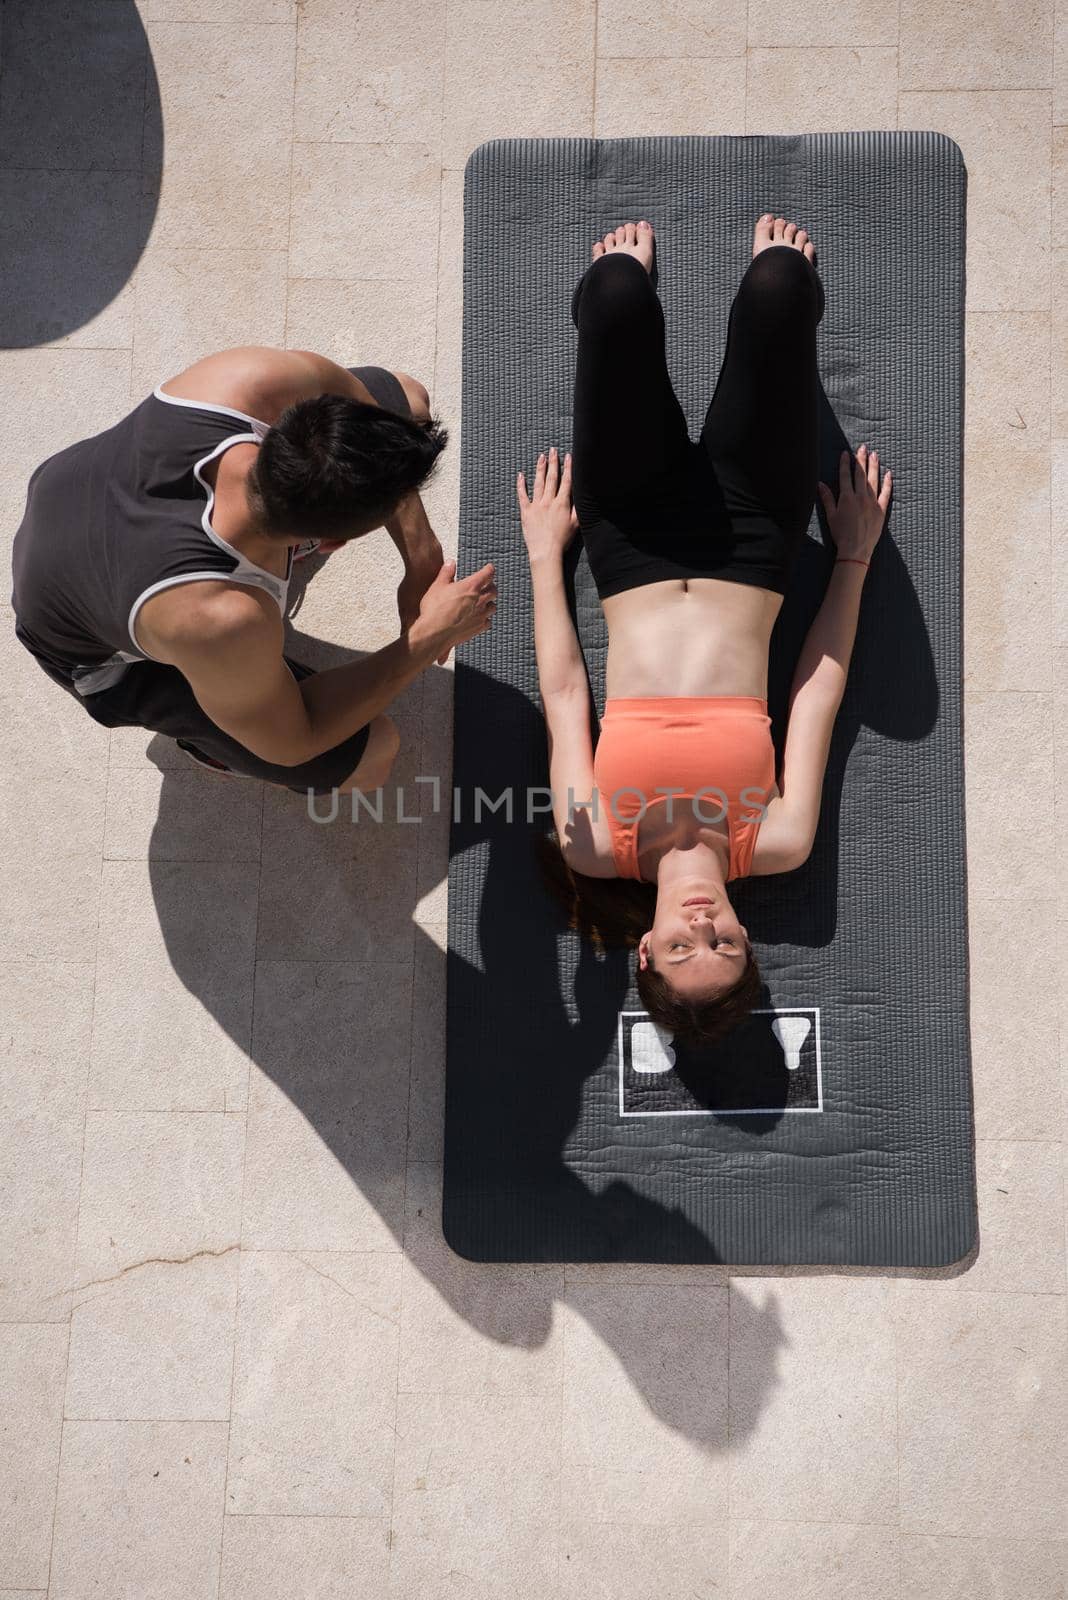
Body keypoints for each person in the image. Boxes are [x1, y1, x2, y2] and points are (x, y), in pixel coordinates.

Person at [517, 215, 891, 1046]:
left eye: (683, 947)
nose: (703, 926)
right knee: (779, 288)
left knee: (614, 298)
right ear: (746, 940)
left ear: (645, 950)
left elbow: (566, 694)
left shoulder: (595, 849)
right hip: (757, 537)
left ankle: (623, 298)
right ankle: (776, 320)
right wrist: (853, 560)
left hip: (629, 536)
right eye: (722, 944)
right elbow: (815, 693)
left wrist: (549, 555)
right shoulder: (778, 841)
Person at [10, 350, 497, 794]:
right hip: (88, 652)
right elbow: (295, 738)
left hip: (74, 502)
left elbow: (376, 410)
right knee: (372, 756)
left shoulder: (242, 385)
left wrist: (422, 556)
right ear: (329, 542)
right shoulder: (222, 616)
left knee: (407, 401)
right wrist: (426, 638)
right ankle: (207, 745)